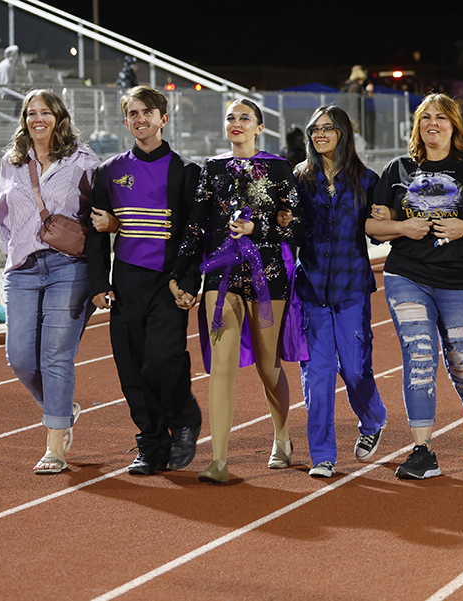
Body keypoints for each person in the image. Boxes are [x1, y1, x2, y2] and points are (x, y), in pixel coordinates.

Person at [365, 92, 463, 479]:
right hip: (407, 275)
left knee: (461, 362)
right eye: (425, 116)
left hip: (462, 280)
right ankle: (422, 450)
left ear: (454, 125)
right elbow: (373, 226)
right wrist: (401, 227)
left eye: (441, 117)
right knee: (419, 357)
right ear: (417, 125)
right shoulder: (397, 169)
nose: (433, 123)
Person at [173, 98, 303, 483]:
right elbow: (196, 227)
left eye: (245, 117)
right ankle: (219, 460)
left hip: (269, 276)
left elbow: (295, 228)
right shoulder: (211, 169)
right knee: (221, 368)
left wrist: (257, 230)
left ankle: (282, 435)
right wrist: (183, 274)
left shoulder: (280, 169)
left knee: (267, 365)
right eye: (230, 117)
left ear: (259, 127)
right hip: (221, 278)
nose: (236, 123)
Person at [86, 86, 202, 476]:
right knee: (132, 366)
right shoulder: (109, 170)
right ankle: (152, 444)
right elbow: (97, 231)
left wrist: (188, 281)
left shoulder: (187, 172)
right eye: (132, 113)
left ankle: (184, 416)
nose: (140, 119)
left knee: (162, 360)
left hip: (167, 283)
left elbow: (193, 233)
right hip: (127, 282)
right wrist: (99, 283)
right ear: (126, 121)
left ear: (163, 119)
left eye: (147, 112)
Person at [0, 89, 99, 474]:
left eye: (45, 112)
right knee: (20, 357)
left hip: (67, 267)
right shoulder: (12, 162)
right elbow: (1, 212)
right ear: (24, 120)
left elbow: (98, 215)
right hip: (22, 267)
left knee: (55, 355)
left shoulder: (83, 160)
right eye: (30, 113)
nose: (37, 118)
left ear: (59, 117)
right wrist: (12, 251)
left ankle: (55, 445)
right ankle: (61, 408)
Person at [293, 105, 388, 479]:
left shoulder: (367, 180)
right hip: (311, 290)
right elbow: (291, 230)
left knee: (354, 368)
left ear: (344, 133)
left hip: (351, 289)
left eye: (328, 128)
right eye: (314, 129)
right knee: (316, 376)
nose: (319, 134)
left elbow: (377, 232)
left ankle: (372, 419)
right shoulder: (299, 178)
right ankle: (322, 454)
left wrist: (387, 221)